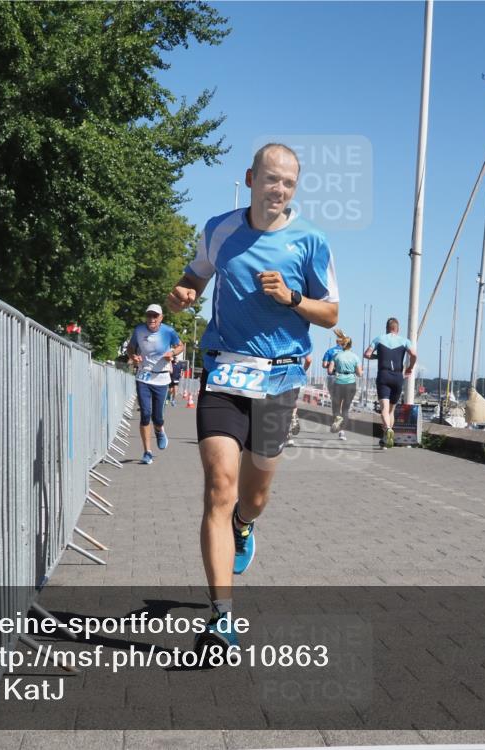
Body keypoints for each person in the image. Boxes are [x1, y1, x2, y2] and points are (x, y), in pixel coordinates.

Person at [166, 143, 338, 651]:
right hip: (223, 370)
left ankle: (244, 525)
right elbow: (194, 277)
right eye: (270, 178)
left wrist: (292, 298)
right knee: (219, 487)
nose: (278, 189)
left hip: (280, 380)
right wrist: (183, 294)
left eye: (288, 182)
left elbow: (331, 313)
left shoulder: (310, 240)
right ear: (250, 178)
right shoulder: (219, 229)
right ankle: (221, 617)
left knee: (253, 497)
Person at [127, 304, 184, 465]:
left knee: (157, 417)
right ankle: (147, 452)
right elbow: (131, 347)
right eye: (149, 315)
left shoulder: (168, 331)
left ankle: (159, 430)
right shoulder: (139, 330)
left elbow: (180, 346)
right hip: (143, 376)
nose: (151, 319)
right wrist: (133, 356)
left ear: (161, 317)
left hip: (161, 378)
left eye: (155, 316)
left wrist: (172, 353)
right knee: (145, 413)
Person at [364, 317, 416, 449]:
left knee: (384, 409)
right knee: (391, 411)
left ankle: (387, 429)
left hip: (384, 375)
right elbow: (414, 355)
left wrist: (378, 356)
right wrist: (410, 367)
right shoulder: (405, 341)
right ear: (397, 329)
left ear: (387, 328)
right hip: (398, 377)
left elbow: (367, 354)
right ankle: (385, 439)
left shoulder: (379, 339)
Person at [327, 337, 362, 440]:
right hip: (351, 384)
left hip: (339, 383)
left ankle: (337, 419)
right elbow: (359, 374)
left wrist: (337, 369)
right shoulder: (355, 357)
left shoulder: (336, 356)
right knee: (346, 409)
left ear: (342, 345)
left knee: (336, 406)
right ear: (351, 345)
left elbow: (330, 371)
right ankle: (342, 432)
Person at [285, 353, 312, 447]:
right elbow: (308, 360)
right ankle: (293, 416)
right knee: (293, 401)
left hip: (281, 375)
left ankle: (287, 435)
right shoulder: (299, 345)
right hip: (296, 375)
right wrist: (302, 371)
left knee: (282, 406)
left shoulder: (278, 344)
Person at [321, 329, 347, 420]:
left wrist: (332, 364)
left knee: (334, 398)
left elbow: (324, 365)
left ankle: (336, 417)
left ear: (336, 341)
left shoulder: (330, 351)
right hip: (343, 377)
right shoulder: (346, 352)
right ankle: (341, 416)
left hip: (332, 376)